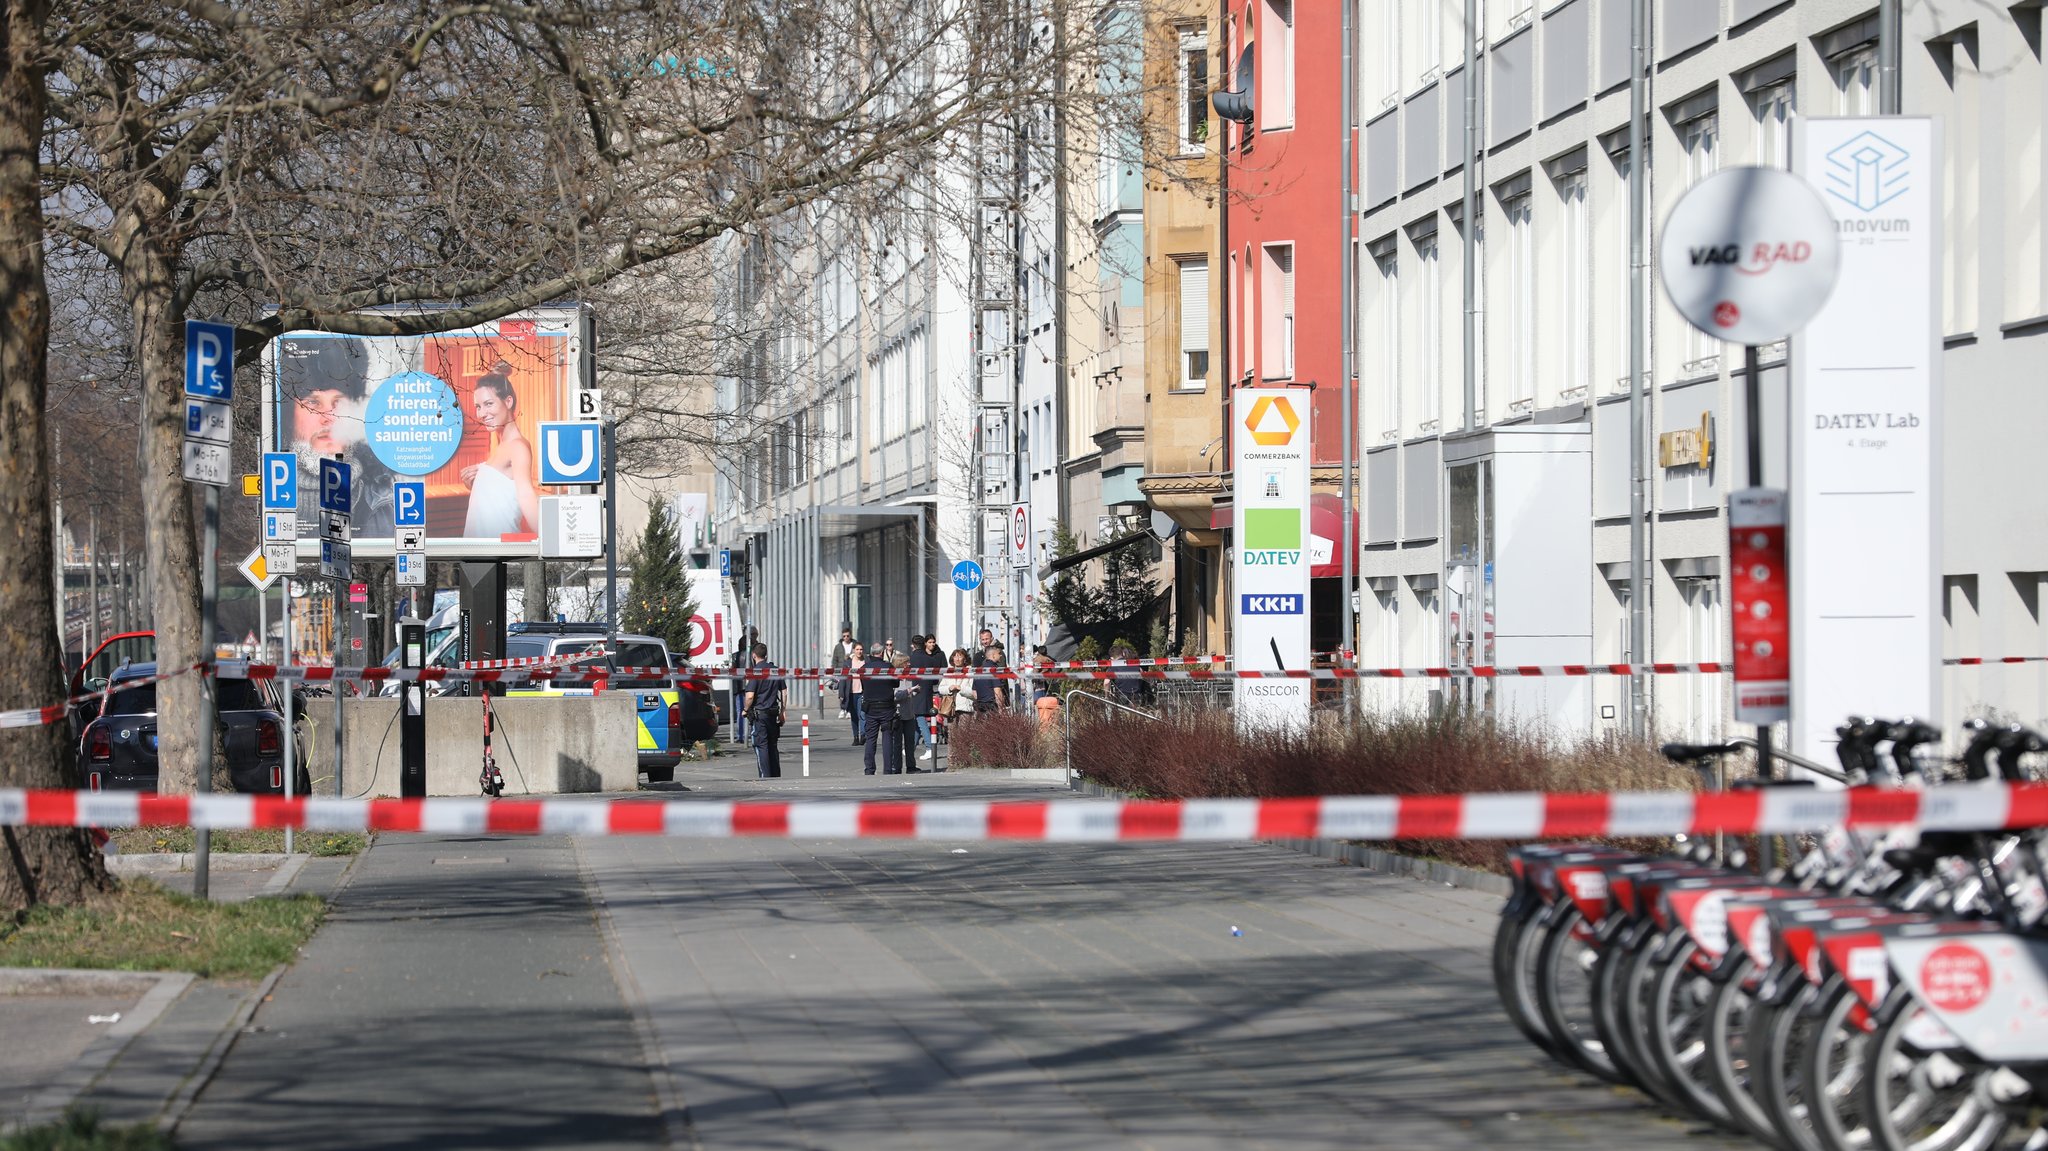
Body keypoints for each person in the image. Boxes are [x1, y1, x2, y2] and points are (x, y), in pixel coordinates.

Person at [460, 363, 540, 538]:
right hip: (480, 553)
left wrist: (550, 542)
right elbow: (502, 493)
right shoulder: (499, 445)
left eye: (488, 404)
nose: (481, 414)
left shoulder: (517, 446)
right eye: (478, 406)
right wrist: (476, 482)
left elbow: (525, 495)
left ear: (508, 401)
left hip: (497, 553)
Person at [741, 642, 786, 779]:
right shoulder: (775, 670)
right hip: (773, 714)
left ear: (754, 655)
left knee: (762, 747)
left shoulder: (755, 672)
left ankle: (765, 778)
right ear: (766, 655)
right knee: (773, 746)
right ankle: (776, 776)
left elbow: (749, 696)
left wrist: (745, 709)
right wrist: (783, 712)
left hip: (759, 715)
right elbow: (784, 692)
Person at [861, 653, 908, 775]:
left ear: (871, 653)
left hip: (870, 707)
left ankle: (869, 769)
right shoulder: (889, 667)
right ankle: (887, 769)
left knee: (871, 739)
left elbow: (863, 685)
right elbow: (896, 683)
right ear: (882, 654)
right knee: (887, 738)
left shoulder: (864, 668)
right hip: (886, 707)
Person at [835, 643, 868, 741]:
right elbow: (843, 679)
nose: (859, 651)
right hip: (851, 693)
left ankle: (862, 735)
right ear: (854, 650)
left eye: (861, 649)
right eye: (857, 649)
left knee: (862, 714)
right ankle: (855, 737)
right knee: (853, 716)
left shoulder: (866, 662)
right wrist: (841, 694)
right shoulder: (848, 663)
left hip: (862, 692)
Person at [938, 648, 977, 723]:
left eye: (960, 656)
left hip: (965, 708)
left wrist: (961, 689)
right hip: (950, 708)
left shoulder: (970, 672)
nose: (957, 659)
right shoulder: (948, 672)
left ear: (965, 659)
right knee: (951, 733)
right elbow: (940, 689)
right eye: (955, 656)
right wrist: (949, 688)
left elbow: (974, 692)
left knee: (963, 734)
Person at [973, 643, 1009, 714]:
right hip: (992, 708)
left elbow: (974, 692)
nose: (1001, 655)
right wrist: (1001, 709)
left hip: (980, 708)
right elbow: (997, 691)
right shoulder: (994, 670)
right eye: (999, 653)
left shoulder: (978, 670)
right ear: (993, 655)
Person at [1031, 647, 1062, 731]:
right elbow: (1056, 663)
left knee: (1038, 705)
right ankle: (1045, 724)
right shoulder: (1047, 659)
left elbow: (1034, 673)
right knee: (1043, 705)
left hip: (1039, 685)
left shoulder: (1037, 659)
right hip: (1043, 684)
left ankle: (1040, 725)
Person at [829, 627, 856, 718]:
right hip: (841, 671)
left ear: (850, 635)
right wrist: (834, 673)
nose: (846, 638)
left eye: (848, 636)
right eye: (844, 636)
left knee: (850, 691)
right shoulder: (838, 647)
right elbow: (834, 660)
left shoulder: (855, 644)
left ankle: (849, 710)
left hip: (852, 671)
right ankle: (842, 709)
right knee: (842, 691)